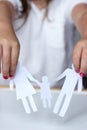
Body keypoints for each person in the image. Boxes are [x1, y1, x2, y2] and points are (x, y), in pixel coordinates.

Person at [0, 0, 87, 87]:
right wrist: (3, 27)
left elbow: (82, 14)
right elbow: (4, 6)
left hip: (60, 92)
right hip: (10, 92)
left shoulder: (66, 2)